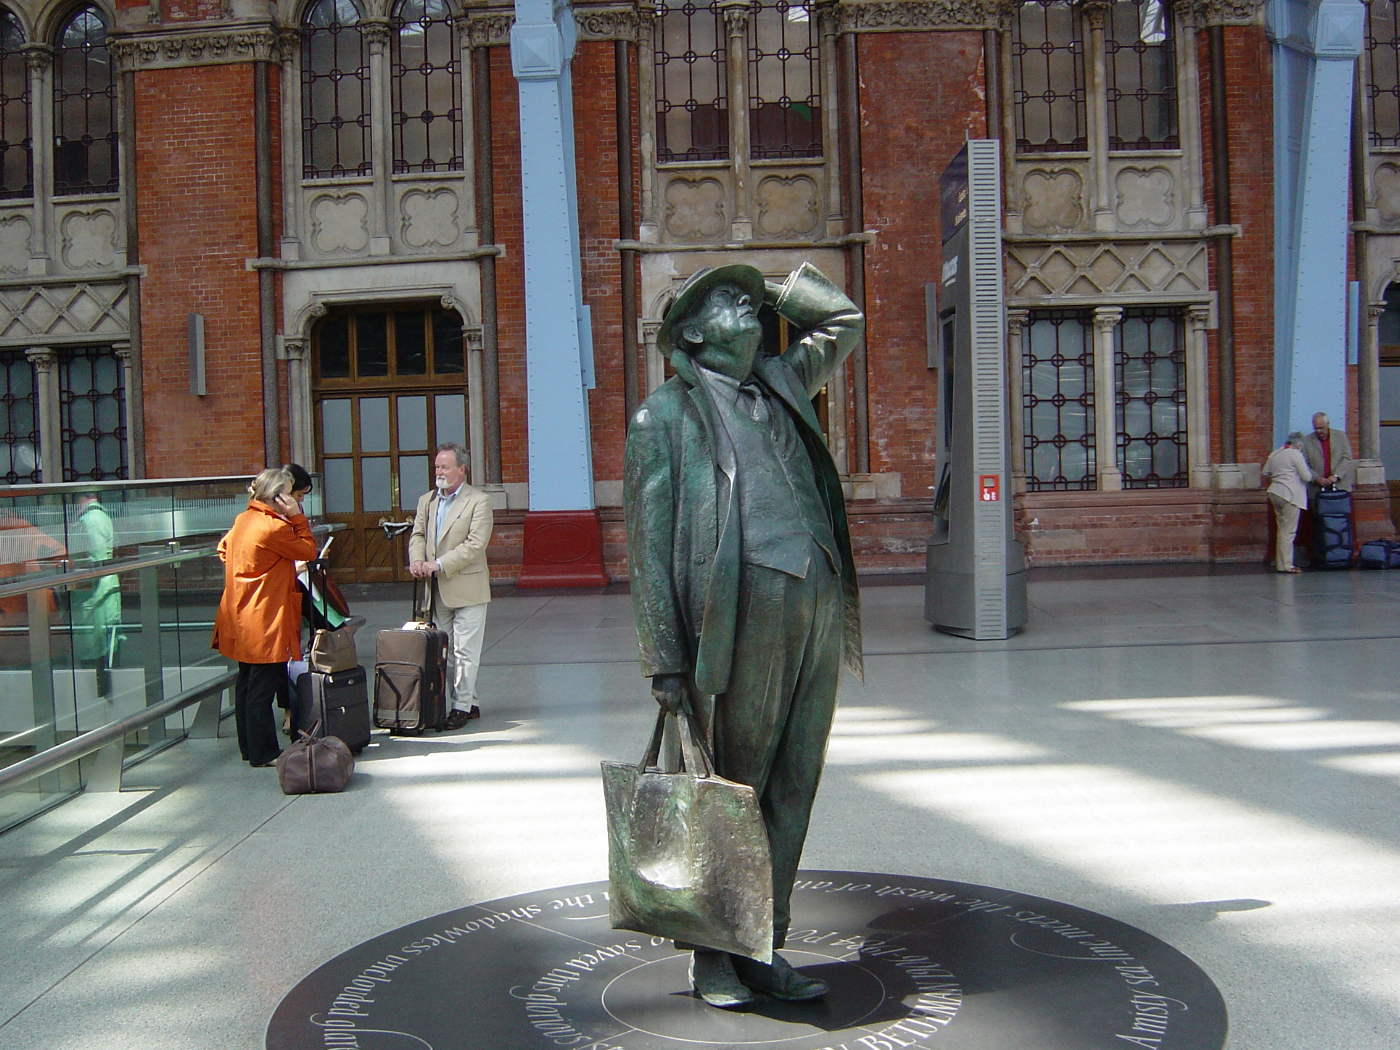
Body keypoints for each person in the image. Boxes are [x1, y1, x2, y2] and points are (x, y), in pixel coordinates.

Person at [623, 261, 864, 1008]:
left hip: (816, 597)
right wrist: (665, 657)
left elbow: (844, 320)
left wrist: (775, 282)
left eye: (755, 302)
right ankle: (714, 954)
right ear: (691, 333)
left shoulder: (785, 380)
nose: (752, 308)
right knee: (732, 792)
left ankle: (765, 942)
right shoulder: (661, 418)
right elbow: (648, 544)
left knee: (794, 784)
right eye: (732, 300)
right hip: (736, 617)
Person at [211, 468, 318, 767]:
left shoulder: (243, 520)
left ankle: (249, 748)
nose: (292, 499)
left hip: (240, 611)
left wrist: (260, 568)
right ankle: (264, 752)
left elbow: (224, 549)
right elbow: (308, 550)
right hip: (265, 615)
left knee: (246, 683)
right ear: (278, 497)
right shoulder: (274, 527)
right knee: (263, 686)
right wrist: (297, 517)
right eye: (288, 493)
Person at [408, 442, 493, 730]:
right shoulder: (427, 501)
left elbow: (475, 545)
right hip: (437, 590)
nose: (438, 471)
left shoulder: (478, 501)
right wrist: (418, 560)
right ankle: (471, 701)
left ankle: (460, 707)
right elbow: (417, 534)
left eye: (444, 466)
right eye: (436, 467)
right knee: (448, 648)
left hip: (468, 587)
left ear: (462, 469)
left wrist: (440, 564)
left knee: (465, 651)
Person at [72, 492, 120, 695]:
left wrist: (74, 576)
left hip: (94, 589)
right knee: (106, 639)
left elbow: (95, 558)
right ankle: (104, 686)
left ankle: (99, 689)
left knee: (95, 643)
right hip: (104, 585)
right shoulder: (102, 516)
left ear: (80, 498)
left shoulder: (89, 520)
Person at [1262, 432, 1314, 574]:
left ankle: (1281, 563)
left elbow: (1265, 472)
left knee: (1282, 529)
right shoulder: (1295, 454)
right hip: (1291, 494)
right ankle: (1287, 565)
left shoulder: (1275, 453)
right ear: (1298, 444)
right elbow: (1307, 476)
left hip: (1274, 492)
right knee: (1289, 531)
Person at [1300, 412, 1356, 496]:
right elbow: (1304, 463)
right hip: (1317, 490)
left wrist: (1336, 476)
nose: (1319, 431)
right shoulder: (1306, 440)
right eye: (1316, 428)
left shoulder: (1341, 436)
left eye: (1321, 428)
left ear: (1328, 424)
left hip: (1340, 487)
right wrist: (1316, 478)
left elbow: (1347, 458)